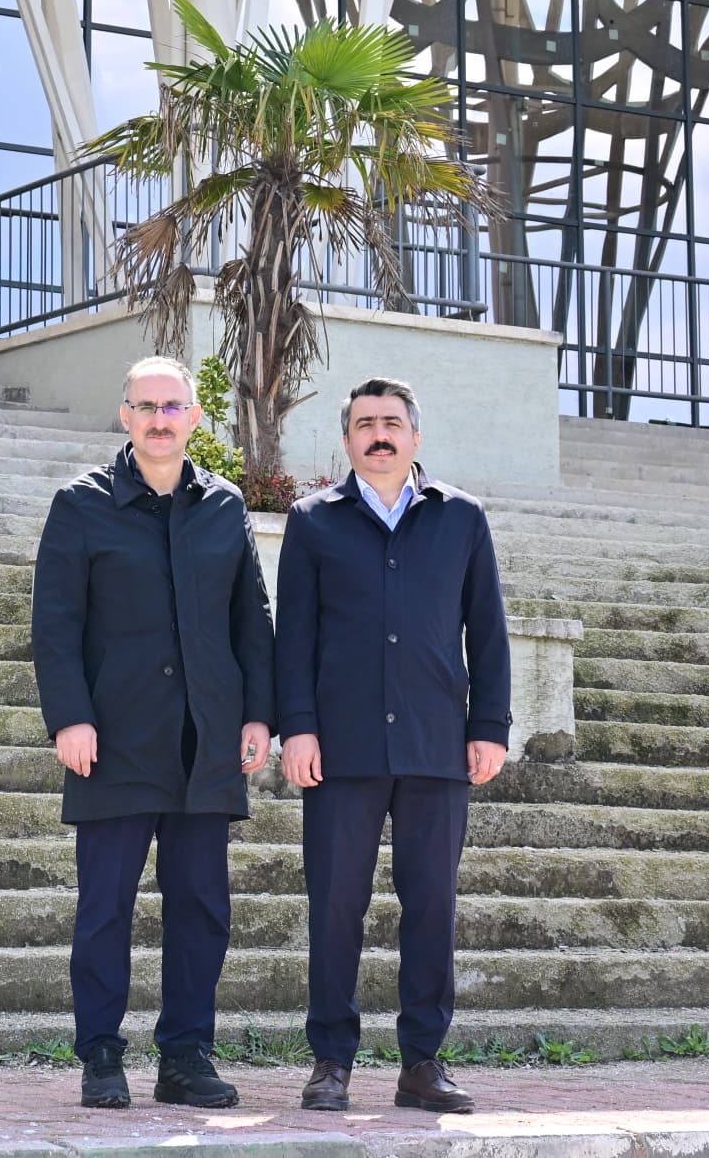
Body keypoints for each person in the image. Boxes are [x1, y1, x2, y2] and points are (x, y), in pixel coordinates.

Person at [30, 354, 277, 1110]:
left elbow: (252, 620)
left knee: (201, 907)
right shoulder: (80, 505)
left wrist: (260, 714)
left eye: (173, 407)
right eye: (147, 406)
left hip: (206, 743)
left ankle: (185, 1058)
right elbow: (56, 622)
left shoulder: (225, 506)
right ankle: (101, 1054)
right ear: (126, 415)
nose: (160, 419)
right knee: (106, 905)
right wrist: (69, 716)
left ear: (194, 418)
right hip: (115, 740)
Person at [274, 376, 510, 1115]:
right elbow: (295, 639)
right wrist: (298, 727)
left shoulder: (462, 518)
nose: (380, 434)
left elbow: (490, 631)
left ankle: (422, 1064)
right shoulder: (313, 521)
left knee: (432, 906)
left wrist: (490, 727)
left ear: (415, 436)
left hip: (437, 745)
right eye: (366, 423)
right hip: (340, 750)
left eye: (393, 422)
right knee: (336, 905)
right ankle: (331, 1062)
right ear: (347, 440)